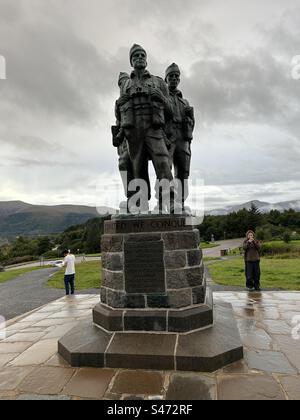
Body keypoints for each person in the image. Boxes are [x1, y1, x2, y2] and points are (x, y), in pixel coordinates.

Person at [118, 44, 174, 211]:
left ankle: (170, 200)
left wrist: (162, 99)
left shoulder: (158, 82)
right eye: (136, 56)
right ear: (131, 61)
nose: (140, 58)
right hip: (133, 131)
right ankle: (139, 201)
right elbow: (121, 112)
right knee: (137, 167)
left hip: (154, 128)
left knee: (163, 161)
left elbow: (170, 112)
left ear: (146, 59)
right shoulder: (125, 84)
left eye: (142, 55)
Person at [165, 63, 195, 211]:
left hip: (182, 138)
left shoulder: (185, 102)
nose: (174, 79)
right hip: (168, 137)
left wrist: (191, 117)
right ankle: (166, 201)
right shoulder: (163, 97)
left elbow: (191, 125)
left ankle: (181, 202)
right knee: (165, 169)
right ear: (166, 78)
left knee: (183, 171)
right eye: (171, 76)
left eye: (176, 76)